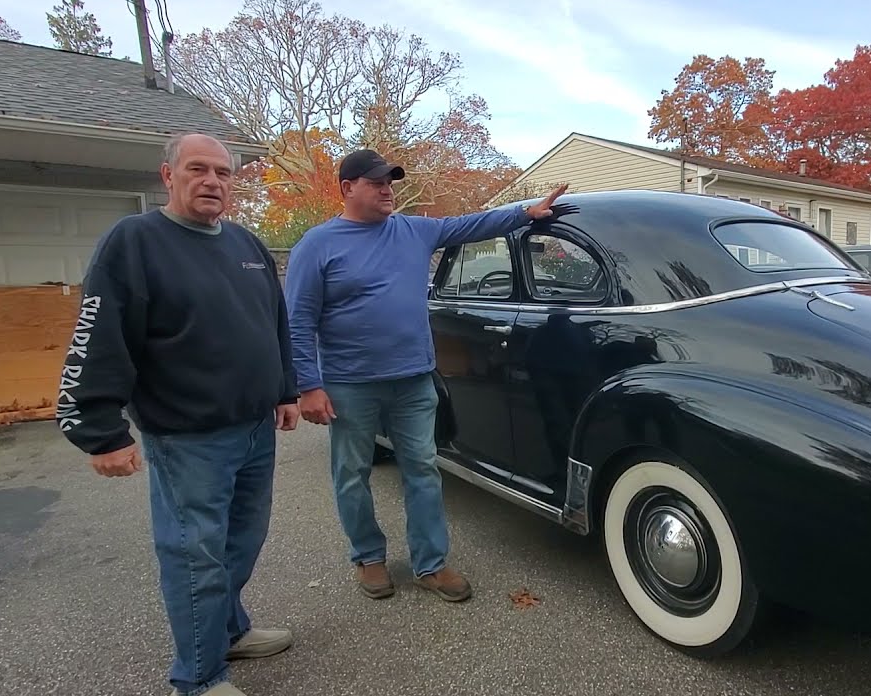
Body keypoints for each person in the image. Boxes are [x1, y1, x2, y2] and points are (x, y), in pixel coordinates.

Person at [55, 132, 301, 696]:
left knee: (242, 543)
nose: (212, 181)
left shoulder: (246, 244)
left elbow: (275, 323)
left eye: (223, 172)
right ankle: (199, 677)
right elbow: (101, 333)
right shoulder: (134, 242)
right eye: (198, 169)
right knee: (197, 558)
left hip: (254, 429)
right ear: (168, 176)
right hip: (189, 437)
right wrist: (100, 430)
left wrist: (285, 390)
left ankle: (228, 632)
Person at [284, 148, 572, 602]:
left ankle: (430, 564)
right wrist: (308, 386)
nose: (387, 190)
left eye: (390, 182)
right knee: (352, 473)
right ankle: (368, 557)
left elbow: (470, 225)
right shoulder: (317, 245)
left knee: (422, 468)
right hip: (350, 383)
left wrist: (523, 213)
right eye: (376, 183)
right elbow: (298, 321)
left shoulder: (414, 231)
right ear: (347, 188)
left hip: (414, 380)